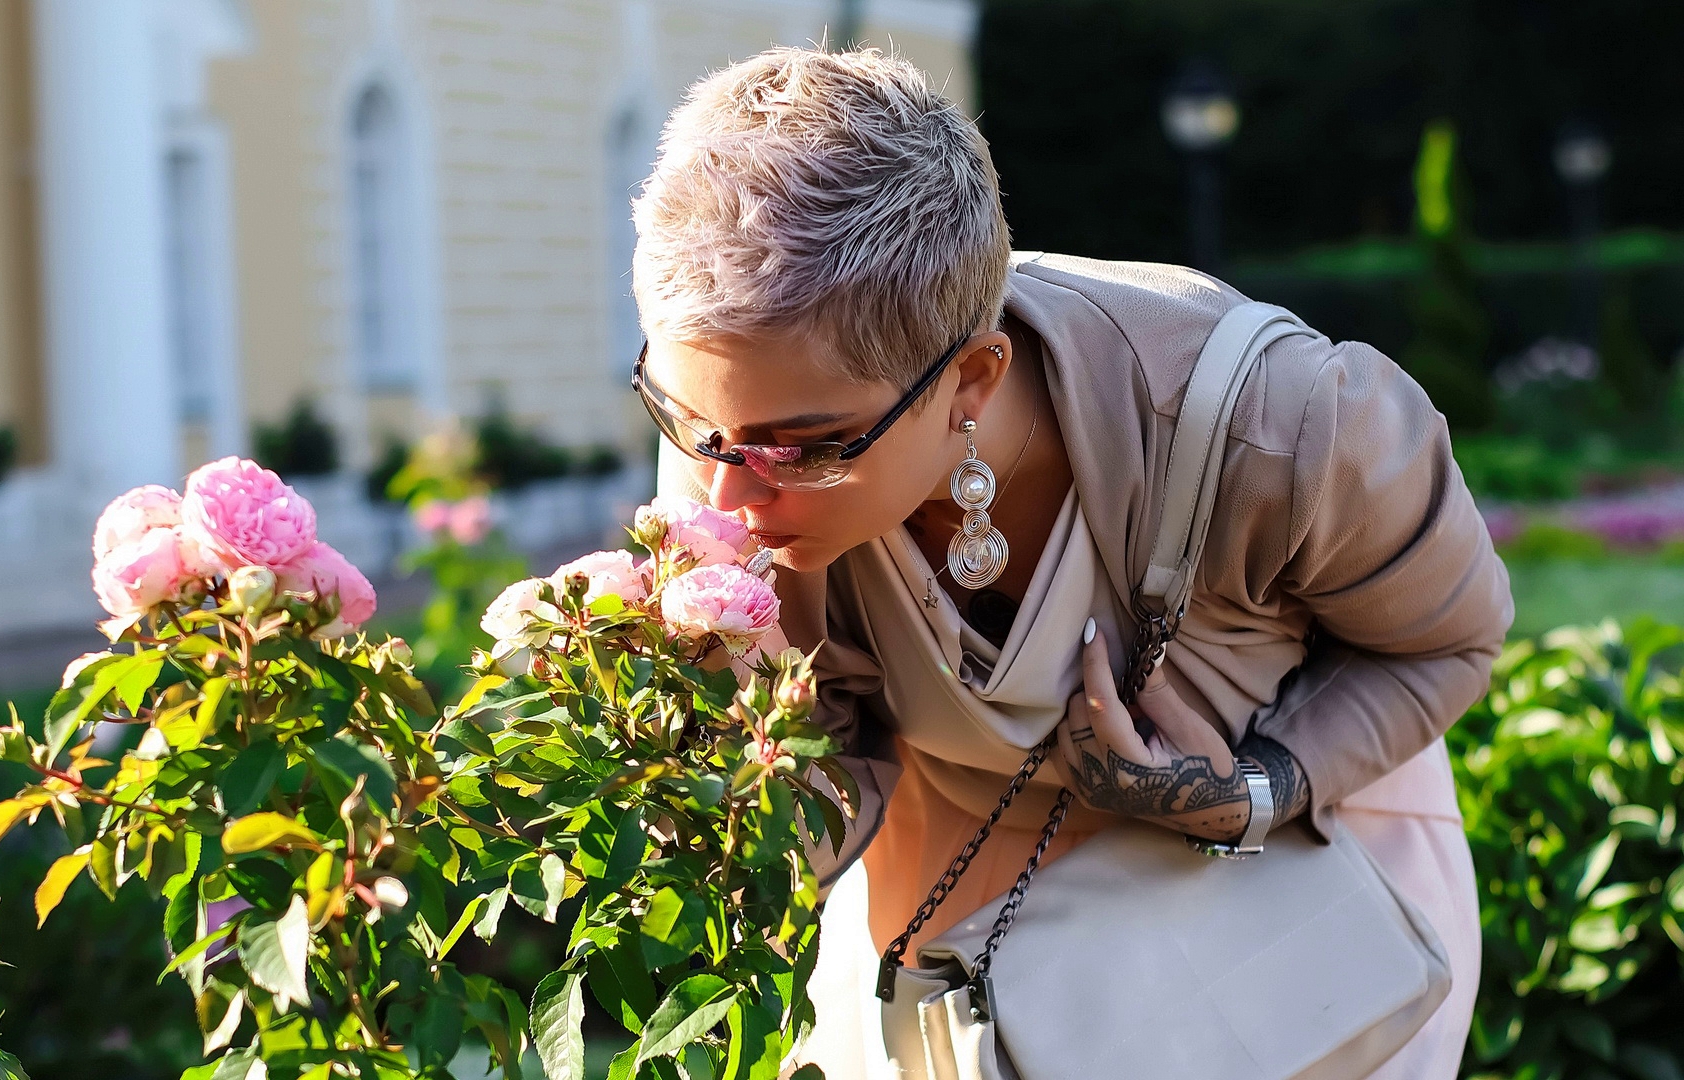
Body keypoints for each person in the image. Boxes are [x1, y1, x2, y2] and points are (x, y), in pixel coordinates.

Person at [636, 47, 1511, 1079]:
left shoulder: (1290, 428)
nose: (727, 496)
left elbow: (1447, 644)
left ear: (971, 377)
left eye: (808, 447)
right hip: (952, 949)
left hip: (1287, 946)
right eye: (682, 420)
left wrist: (1252, 788)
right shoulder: (742, 425)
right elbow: (826, 729)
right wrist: (693, 799)